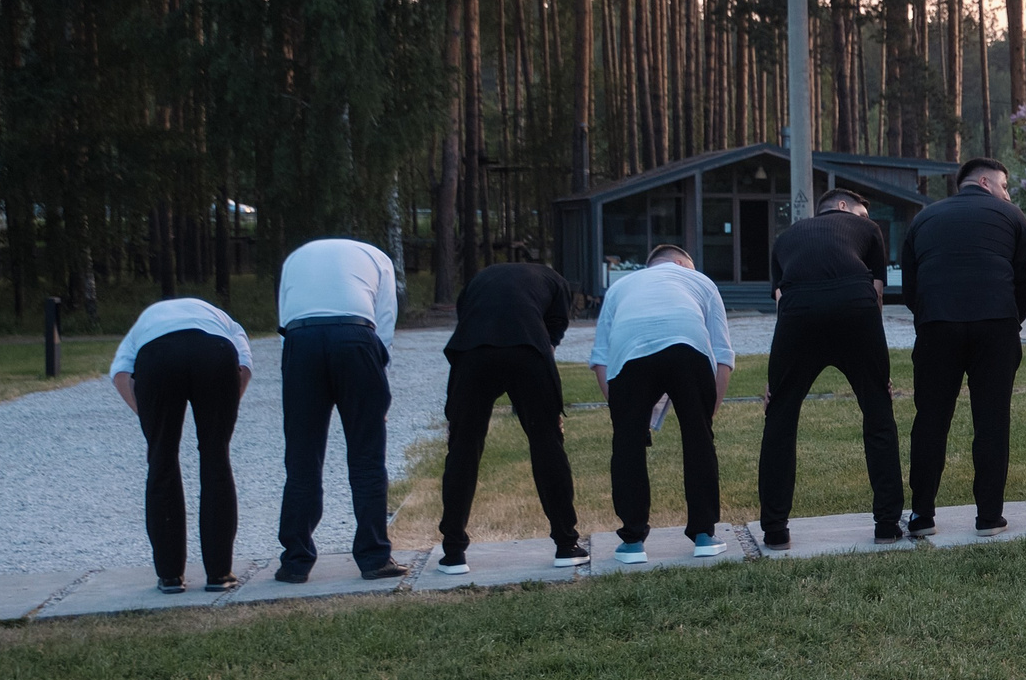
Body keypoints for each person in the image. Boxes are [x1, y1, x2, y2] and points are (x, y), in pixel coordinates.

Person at [898, 156, 1026, 538]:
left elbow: (910, 286)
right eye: (1005, 186)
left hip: (937, 324)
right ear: (986, 183)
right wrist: (1011, 321)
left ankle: (921, 516)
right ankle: (989, 517)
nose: (1008, 194)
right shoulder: (1012, 216)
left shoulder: (924, 218)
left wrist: (930, 316)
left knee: (930, 420)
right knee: (992, 421)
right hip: (995, 324)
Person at [760, 190, 903, 546]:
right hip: (855, 304)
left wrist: (776, 377)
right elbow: (876, 293)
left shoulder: (784, 238)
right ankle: (887, 524)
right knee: (878, 414)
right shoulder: (867, 229)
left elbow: (781, 301)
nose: (866, 218)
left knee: (780, 419)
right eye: (863, 212)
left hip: (797, 312)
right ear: (842, 207)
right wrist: (878, 368)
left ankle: (775, 530)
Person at [436, 254, 583, 574]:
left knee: (462, 447)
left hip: (472, 353)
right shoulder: (555, 280)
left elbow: (465, 315)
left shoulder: (480, 278)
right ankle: (566, 544)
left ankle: (453, 552)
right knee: (547, 443)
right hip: (528, 349)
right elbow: (555, 329)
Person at [588, 244, 735, 563]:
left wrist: (624, 416)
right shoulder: (701, 281)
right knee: (698, 441)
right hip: (688, 346)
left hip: (630, 353)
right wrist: (708, 414)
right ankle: (704, 535)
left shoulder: (621, 286)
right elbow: (723, 355)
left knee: (627, 446)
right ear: (681, 263)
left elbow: (600, 358)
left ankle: (632, 542)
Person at [274, 236, 404, 583]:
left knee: (301, 458)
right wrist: (379, 384)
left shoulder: (295, 256)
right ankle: (374, 558)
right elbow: (384, 321)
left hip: (300, 341)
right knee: (367, 457)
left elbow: (285, 316)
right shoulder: (379, 258)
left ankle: (295, 562)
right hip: (356, 337)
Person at [111, 297, 253, 593]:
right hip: (215, 352)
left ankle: (170, 576)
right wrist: (226, 408)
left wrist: (149, 417)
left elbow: (120, 373)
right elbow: (243, 364)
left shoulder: (145, 322)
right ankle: (219, 573)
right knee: (216, 458)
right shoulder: (223, 320)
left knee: (161, 460)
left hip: (158, 356)